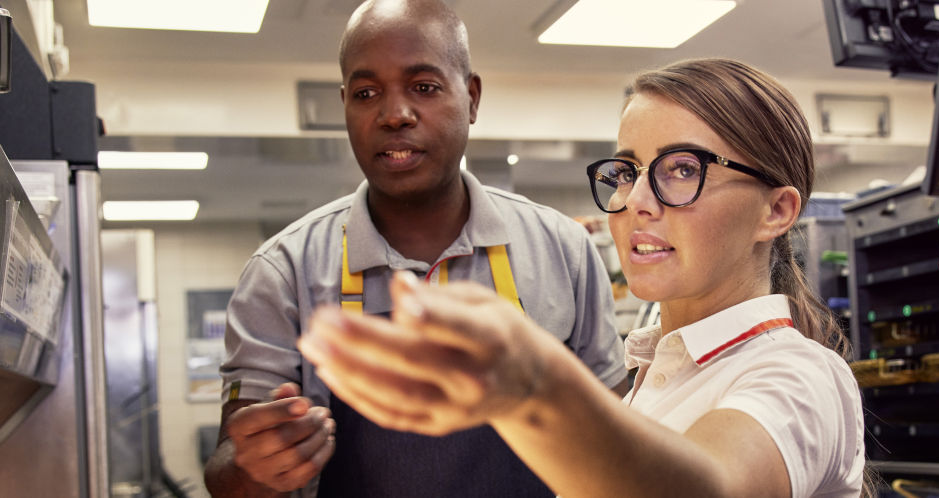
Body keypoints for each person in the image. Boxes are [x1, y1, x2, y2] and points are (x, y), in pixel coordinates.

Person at [300, 57, 868, 497]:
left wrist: (534, 386)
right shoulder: (649, 375)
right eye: (627, 171)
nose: (635, 200)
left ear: (776, 211)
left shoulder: (800, 374)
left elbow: (708, 486)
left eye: (683, 169)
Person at [202, 0, 628, 496]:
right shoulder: (283, 271)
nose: (394, 114)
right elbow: (225, 472)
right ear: (345, 106)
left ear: (471, 98)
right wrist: (258, 464)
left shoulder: (564, 249)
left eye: (423, 87)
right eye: (366, 93)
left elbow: (618, 434)